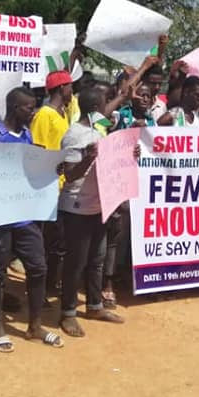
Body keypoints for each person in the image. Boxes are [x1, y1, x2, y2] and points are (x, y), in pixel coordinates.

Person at [0, 86, 65, 353]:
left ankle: (35, 326)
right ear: (15, 108)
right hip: (0, 216)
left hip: (26, 215)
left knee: (38, 267)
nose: (33, 111)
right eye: (29, 107)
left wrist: (51, 167)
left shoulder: (28, 134)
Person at [58, 86, 128, 338]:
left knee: (97, 260)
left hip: (99, 205)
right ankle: (67, 313)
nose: (108, 106)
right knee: (76, 263)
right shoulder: (74, 135)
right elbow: (69, 174)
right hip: (77, 207)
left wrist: (129, 155)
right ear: (97, 108)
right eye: (106, 102)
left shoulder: (97, 131)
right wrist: (88, 158)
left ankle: (94, 306)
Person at [30, 69, 74, 299]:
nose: (72, 91)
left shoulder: (63, 113)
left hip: (61, 185)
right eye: (70, 86)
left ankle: (50, 283)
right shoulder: (44, 115)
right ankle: (41, 288)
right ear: (61, 88)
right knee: (46, 239)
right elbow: (36, 149)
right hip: (47, 186)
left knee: (58, 239)